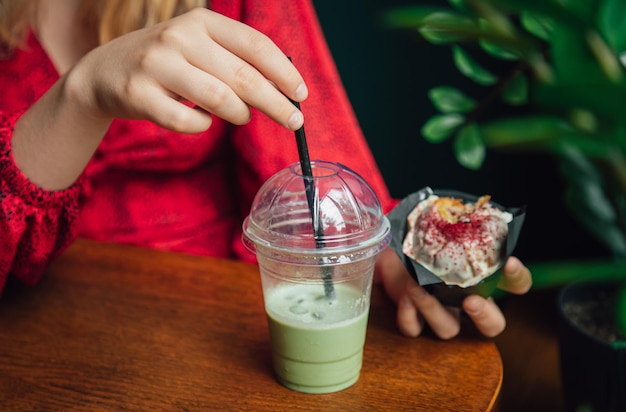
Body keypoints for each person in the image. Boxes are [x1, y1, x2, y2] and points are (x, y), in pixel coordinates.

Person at [0, 0, 531, 340]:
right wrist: (82, 94)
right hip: (39, 334)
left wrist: (392, 263)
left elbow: (315, 169)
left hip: (216, 325)